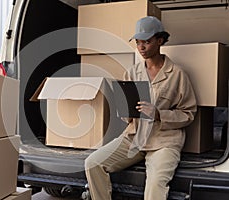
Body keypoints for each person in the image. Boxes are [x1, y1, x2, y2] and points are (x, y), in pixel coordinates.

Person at [84, 16, 197, 200]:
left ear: (160, 41)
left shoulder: (177, 74)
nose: (141, 47)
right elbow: (126, 116)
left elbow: (188, 113)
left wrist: (159, 114)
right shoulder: (132, 72)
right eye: (138, 42)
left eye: (146, 42)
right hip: (134, 137)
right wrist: (126, 109)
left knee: (154, 188)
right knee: (92, 163)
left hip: (163, 142)